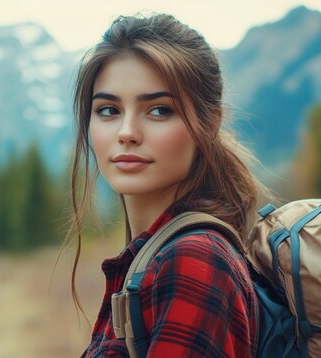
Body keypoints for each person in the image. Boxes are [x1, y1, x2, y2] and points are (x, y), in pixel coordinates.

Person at [69, 13, 270, 357]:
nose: (127, 132)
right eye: (108, 110)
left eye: (159, 110)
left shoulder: (196, 261)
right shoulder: (150, 261)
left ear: (210, 122)